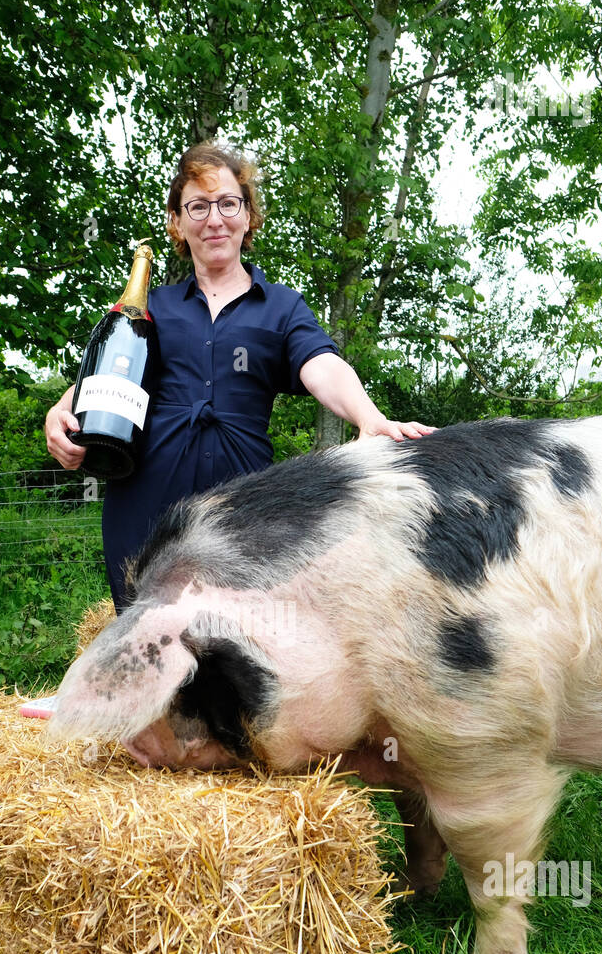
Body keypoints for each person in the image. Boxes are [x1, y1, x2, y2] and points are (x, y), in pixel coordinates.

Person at [44, 142, 435, 608]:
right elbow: (108, 375)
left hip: (247, 511)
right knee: (150, 653)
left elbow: (322, 365)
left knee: (238, 652)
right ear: (177, 222)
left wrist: (367, 418)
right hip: (143, 509)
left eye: (229, 204)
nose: (215, 219)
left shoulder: (283, 307)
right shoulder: (153, 308)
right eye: (199, 206)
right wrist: (60, 411)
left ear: (248, 217)